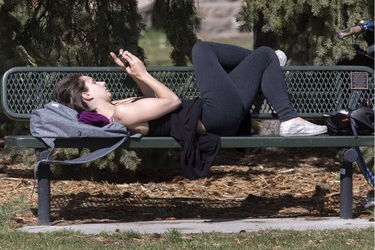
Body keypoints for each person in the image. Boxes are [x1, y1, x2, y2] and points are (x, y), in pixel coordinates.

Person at [53, 41, 327, 179]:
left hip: (218, 114)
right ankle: (288, 114)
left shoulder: (118, 108)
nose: (101, 81)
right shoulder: (120, 115)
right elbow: (170, 102)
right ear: (87, 94)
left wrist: (134, 74)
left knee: (265, 56)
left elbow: (153, 104)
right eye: (94, 82)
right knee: (201, 49)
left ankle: (277, 86)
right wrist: (145, 74)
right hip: (213, 115)